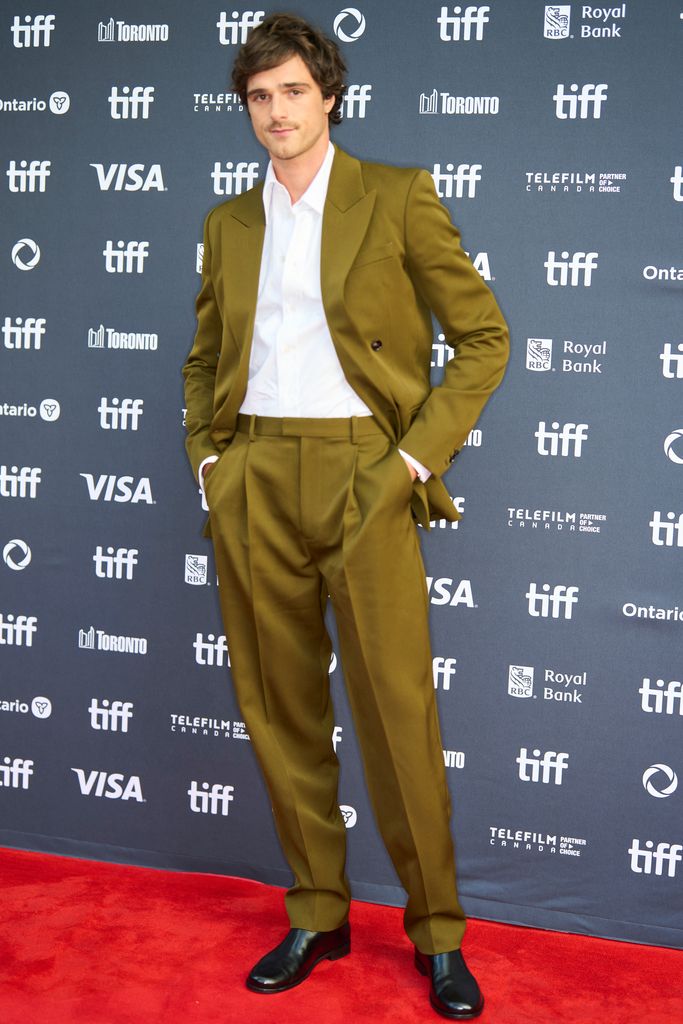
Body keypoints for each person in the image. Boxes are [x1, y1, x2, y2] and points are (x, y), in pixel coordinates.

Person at [182, 12, 508, 1019]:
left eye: (290, 91)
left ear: (328, 94)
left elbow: (483, 338)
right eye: (257, 97)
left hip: (367, 471)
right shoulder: (227, 224)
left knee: (396, 713)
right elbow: (204, 362)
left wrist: (409, 460)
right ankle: (318, 909)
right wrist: (211, 463)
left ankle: (437, 933)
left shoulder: (397, 197)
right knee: (279, 711)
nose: (274, 112)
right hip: (257, 475)